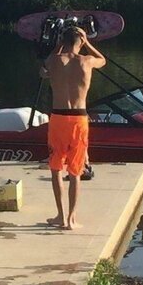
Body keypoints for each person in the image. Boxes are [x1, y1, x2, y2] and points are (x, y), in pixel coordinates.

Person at [41, 27, 106, 229]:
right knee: (76, 171)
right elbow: (103, 60)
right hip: (79, 118)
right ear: (80, 40)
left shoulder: (54, 61)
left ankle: (60, 216)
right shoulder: (86, 61)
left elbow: (44, 66)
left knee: (56, 168)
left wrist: (60, 43)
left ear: (63, 40)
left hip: (58, 117)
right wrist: (87, 43)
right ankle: (71, 219)